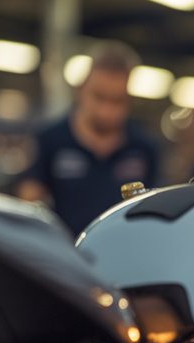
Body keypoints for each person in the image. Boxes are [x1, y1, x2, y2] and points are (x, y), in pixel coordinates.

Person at [17, 40, 159, 235]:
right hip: (63, 249)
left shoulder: (144, 148)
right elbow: (28, 205)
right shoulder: (50, 140)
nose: (106, 111)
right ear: (81, 90)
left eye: (118, 101)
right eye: (99, 97)